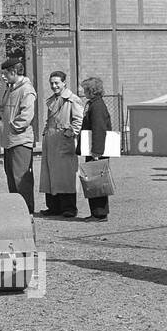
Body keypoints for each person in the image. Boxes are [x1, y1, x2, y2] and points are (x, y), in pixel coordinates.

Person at [38, 71, 82, 217]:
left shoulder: (72, 100)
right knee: (50, 175)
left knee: (65, 176)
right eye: (52, 83)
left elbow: (78, 120)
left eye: (57, 83)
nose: (54, 86)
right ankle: (53, 206)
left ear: (64, 83)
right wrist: (45, 132)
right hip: (51, 141)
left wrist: (69, 134)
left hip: (63, 141)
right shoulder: (52, 100)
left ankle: (69, 208)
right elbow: (49, 120)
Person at [0, 59, 36, 214]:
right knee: (11, 176)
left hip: (20, 140)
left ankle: (26, 210)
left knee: (21, 178)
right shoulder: (11, 88)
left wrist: (12, 127)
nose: (3, 77)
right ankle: (16, 209)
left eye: (5, 73)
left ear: (13, 72)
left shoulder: (26, 89)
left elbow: (26, 115)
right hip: (10, 140)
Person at [79, 76, 112, 221]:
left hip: (97, 150)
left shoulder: (97, 106)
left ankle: (99, 213)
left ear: (91, 90)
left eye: (85, 89)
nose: (83, 91)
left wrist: (97, 151)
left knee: (96, 181)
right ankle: (96, 212)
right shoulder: (95, 104)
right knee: (93, 180)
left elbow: (99, 129)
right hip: (94, 149)